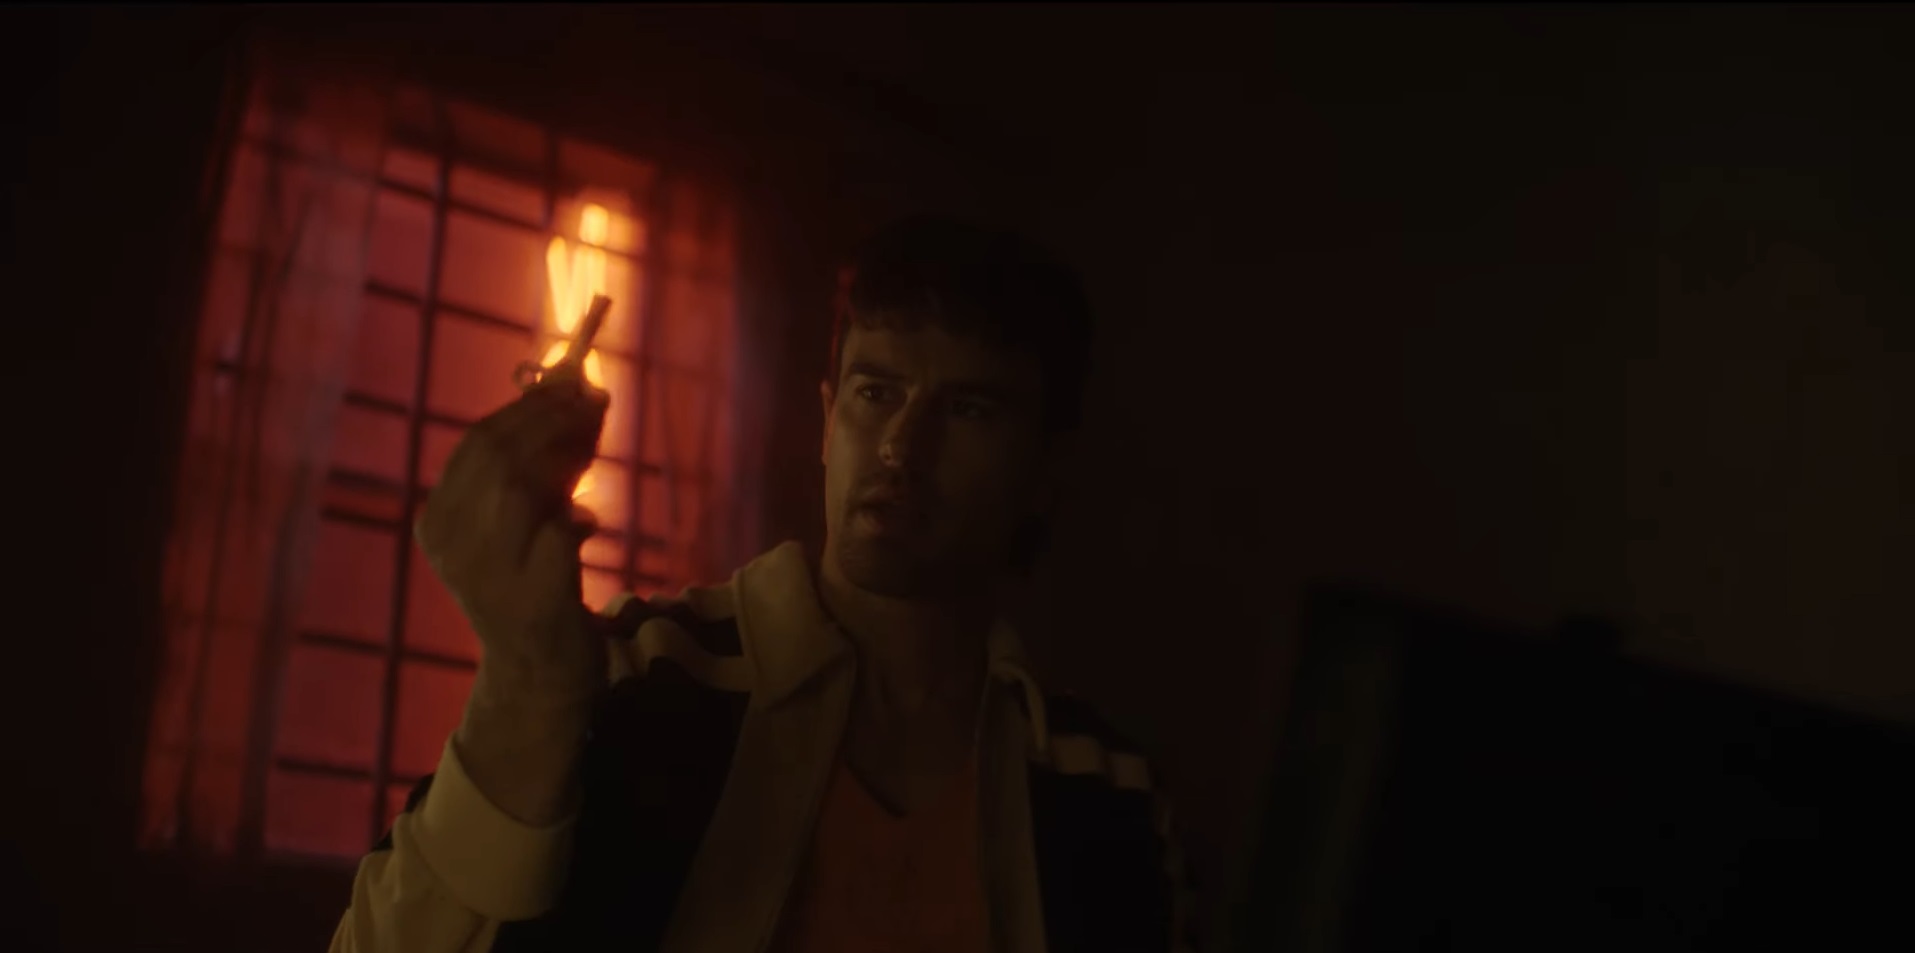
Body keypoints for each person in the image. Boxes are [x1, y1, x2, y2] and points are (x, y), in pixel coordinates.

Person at [329, 217, 1195, 953]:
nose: (901, 446)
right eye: (875, 391)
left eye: (968, 409)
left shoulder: (1100, 785)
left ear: (1043, 471)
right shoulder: (643, 676)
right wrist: (525, 687)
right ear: (825, 421)